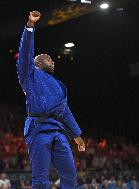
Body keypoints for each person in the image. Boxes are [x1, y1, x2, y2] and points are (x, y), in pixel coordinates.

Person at [16, 11, 86, 189]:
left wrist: (76, 135)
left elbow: (65, 111)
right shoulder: (29, 74)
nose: (51, 60)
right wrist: (30, 27)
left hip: (58, 131)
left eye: (52, 59)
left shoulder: (59, 85)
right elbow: (25, 53)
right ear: (36, 62)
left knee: (70, 173)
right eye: (46, 58)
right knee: (41, 178)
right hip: (38, 129)